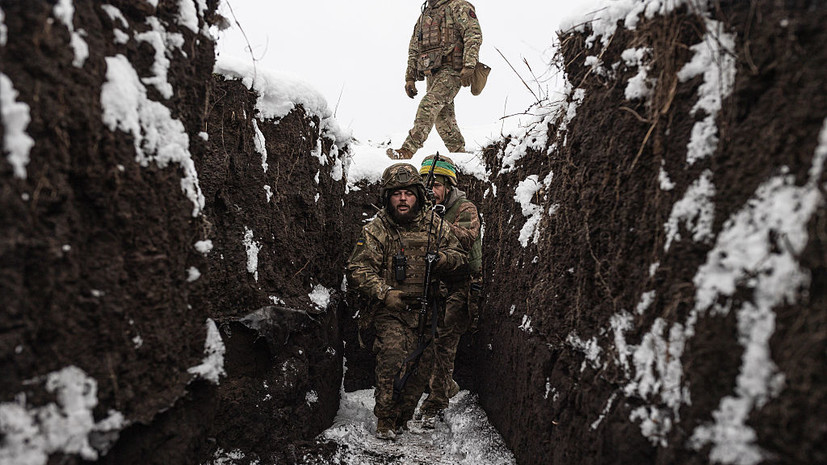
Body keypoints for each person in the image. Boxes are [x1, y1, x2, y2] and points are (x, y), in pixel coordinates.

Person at [347, 162, 467, 440]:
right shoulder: (378, 229)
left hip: (427, 310)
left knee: (420, 370)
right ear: (387, 197)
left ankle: (402, 417)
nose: (403, 199)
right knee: (391, 357)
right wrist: (385, 293)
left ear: (418, 195)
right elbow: (357, 269)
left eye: (408, 193)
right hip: (392, 310)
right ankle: (385, 419)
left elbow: (460, 257)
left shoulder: (435, 226)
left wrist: (443, 260)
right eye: (396, 193)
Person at [415, 154, 482, 428]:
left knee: (444, 343)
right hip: (435, 285)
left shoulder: (465, 208)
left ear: (448, 186)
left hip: (462, 285)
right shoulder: (423, 210)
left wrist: (438, 223)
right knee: (426, 340)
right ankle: (444, 386)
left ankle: (436, 403)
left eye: (437, 185)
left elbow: (468, 237)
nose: (431, 191)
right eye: (427, 185)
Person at [386, 0, 483, 160]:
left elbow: (473, 34)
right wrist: (410, 76)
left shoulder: (458, 6)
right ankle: (461, 156)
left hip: (452, 70)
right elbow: (414, 47)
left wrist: (469, 64)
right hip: (432, 71)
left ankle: (407, 149)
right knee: (443, 118)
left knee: (429, 105)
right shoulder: (426, 13)